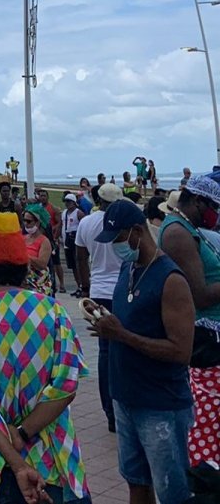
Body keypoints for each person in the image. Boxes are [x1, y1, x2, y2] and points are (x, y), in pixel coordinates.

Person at [0, 212, 89, 504]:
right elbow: (66, 386)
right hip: (55, 456)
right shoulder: (53, 311)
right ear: (25, 267)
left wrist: (16, 458)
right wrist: (24, 432)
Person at [87, 199, 193, 504]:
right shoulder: (127, 268)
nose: (115, 247)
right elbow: (128, 319)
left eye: (119, 239)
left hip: (160, 404)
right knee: (136, 482)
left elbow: (180, 350)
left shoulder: (170, 280)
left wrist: (122, 335)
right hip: (126, 397)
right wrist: (104, 318)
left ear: (136, 232)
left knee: (173, 491)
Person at [154, 174, 220, 470]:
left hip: (210, 335)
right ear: (197, 200)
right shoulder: (178, 233)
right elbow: (200, 294)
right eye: (213, 207)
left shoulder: (188, 228)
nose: (215, 214)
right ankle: (205, 474)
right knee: (206, 415)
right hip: (205, 338)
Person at [76, 182, 124, 431]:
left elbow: (80, 257)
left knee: (105, 352)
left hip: (98, 291)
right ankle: (123, 407)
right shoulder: (124, 221)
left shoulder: (86, 223)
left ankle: (110, 413)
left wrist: (84, 287)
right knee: (125, 347)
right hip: (123, 291)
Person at [21, 204, 53, 295]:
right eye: (24, 220)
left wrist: (24, 256)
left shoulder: (44, 241)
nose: (25, 224)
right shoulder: (22, 238)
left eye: (29, 221)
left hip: (38, 284)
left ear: (38, 223)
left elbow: (42, 264)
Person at [62, 194, 83, 295]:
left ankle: (83, 285)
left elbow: (84, 225)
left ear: (74, 202)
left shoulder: (78, 213)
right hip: (67, 242)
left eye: (69, 201)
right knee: (72, 266)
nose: (67, 203)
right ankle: (79, 285)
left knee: (79, 264)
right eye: (66, 201)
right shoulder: (64, 213)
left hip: (76, 242)